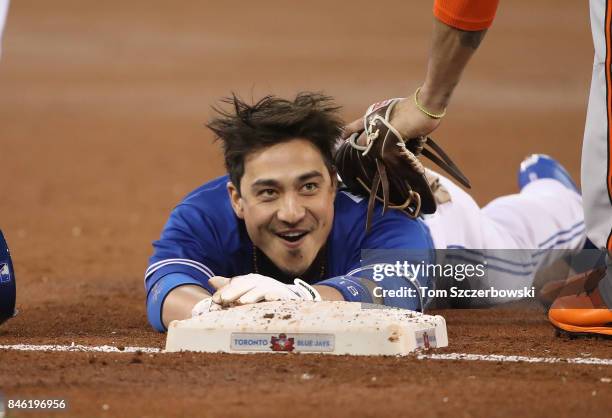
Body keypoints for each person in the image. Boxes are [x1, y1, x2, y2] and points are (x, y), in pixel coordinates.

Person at [144, 92, 585, 332]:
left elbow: (395, 289)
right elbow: (166, 283)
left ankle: (553, 193)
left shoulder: (387, 218)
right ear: (237, 199)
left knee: (511, 272)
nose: (292, 212)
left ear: (333, 185)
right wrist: (208, 315)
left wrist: (303, 301)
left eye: (309, 186)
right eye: (268, 193)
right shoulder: (203, 215)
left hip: (445, 236)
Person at [347, 0, 612, 336]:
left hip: (441, 225)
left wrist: (306, 294)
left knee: (505, 260)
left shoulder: (399, 237)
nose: (290, 211)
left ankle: (557, 199)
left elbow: (386, 289)